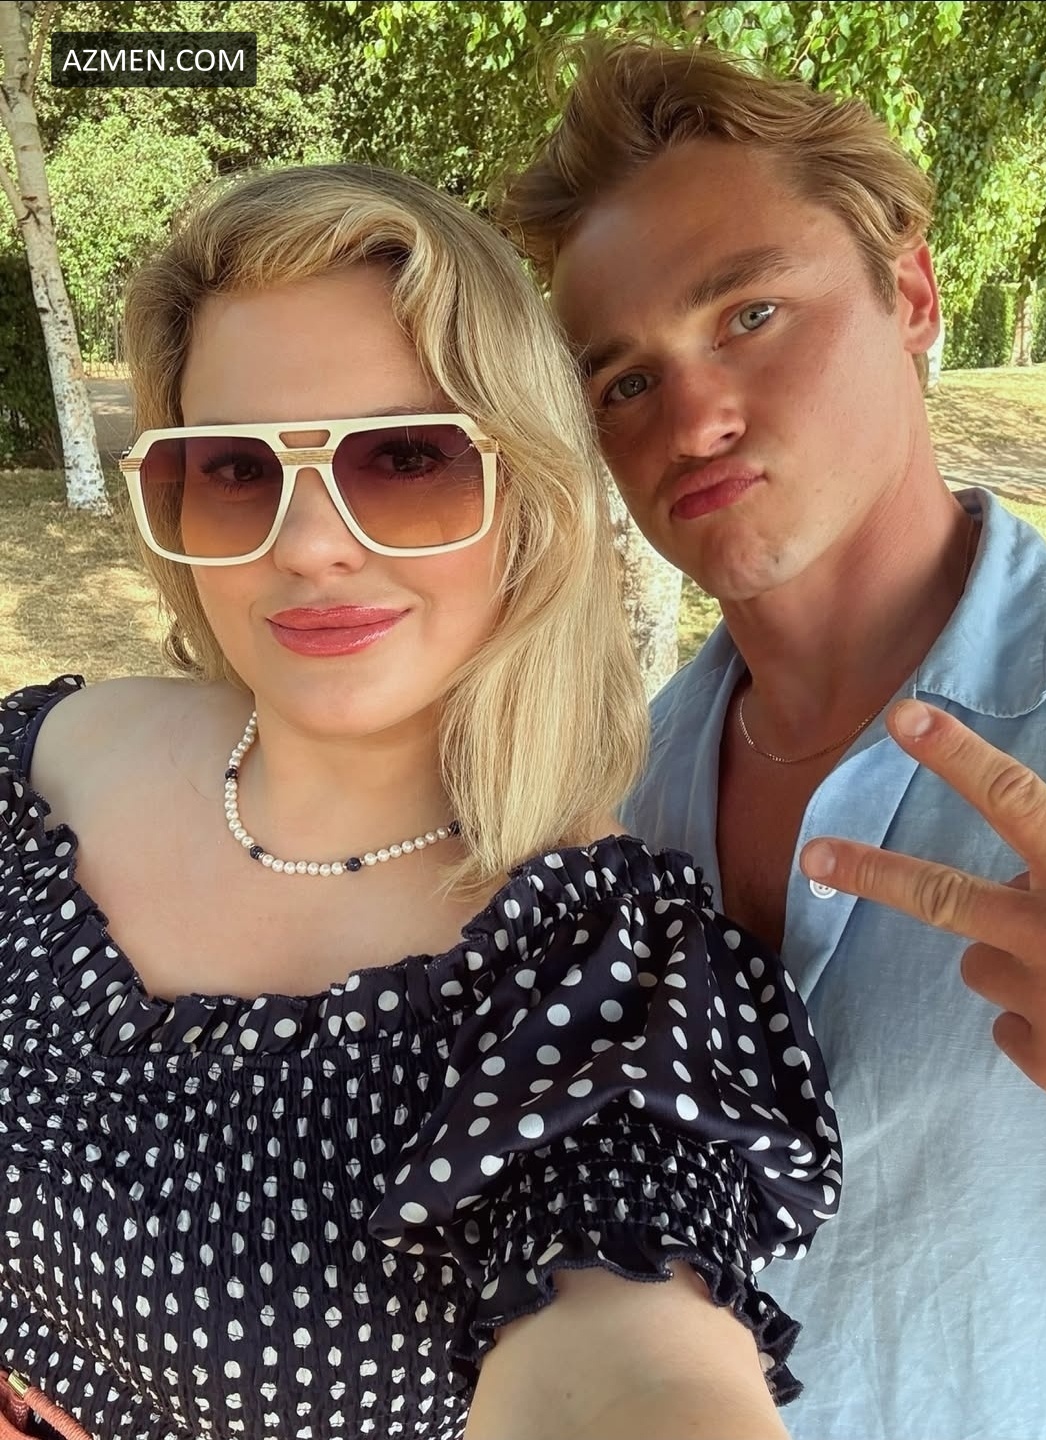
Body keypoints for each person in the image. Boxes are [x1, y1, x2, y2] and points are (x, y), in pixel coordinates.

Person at [0, 163, 841, 1440]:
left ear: (529, 492)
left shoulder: (596, 980)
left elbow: (632, 1367)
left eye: (406, 459)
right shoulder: (46, 762)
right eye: (235, 469)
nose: (308, 544)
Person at [499, 37, 1046, 1440]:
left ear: (910, 293)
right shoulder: (609, 802)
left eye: (749, 313)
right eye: (621, 382)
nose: (692, 420)